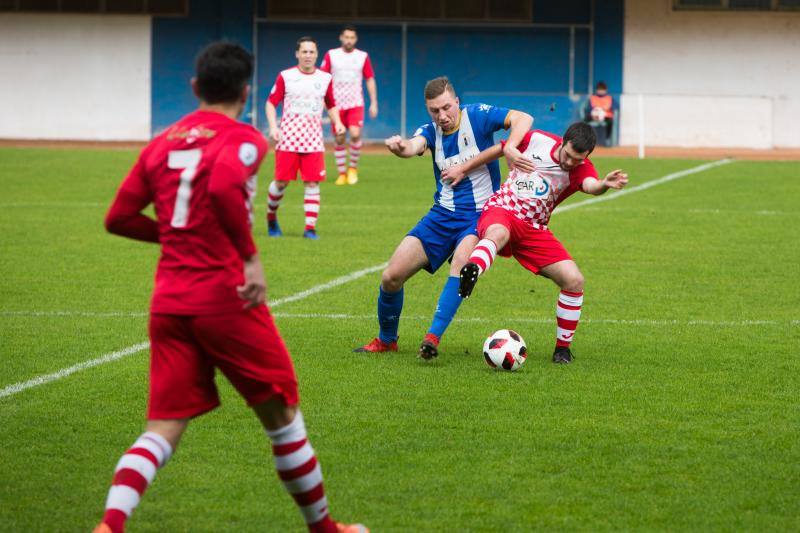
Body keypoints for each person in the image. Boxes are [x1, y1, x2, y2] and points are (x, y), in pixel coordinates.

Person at [97, 41, 366, 533]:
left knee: (162, 428)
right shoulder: (245, 140)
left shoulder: (161, 142)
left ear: (195, 86)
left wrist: (173, 234)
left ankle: (110, 525)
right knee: (283, 415)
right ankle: (326, 530)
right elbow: (221, 186)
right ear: (246, 92)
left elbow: (117, 218)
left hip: (169, 303)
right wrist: (249, 258)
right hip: (224, 297)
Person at [353, 76, 534, 359]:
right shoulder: (430, 131)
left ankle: (432, 338)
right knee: (391, 276)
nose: (443, 116)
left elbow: (524, 118)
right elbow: (414, 146)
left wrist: (510, 146)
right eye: (434, 111)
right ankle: (387, 340)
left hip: (480, 215)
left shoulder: (478, 115)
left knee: (462, 265)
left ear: (457, 102)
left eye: (447, 108)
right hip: (441, 215)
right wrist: (400, 147)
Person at [455, 122, 629, 364]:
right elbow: (501, 148)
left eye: (577, 159)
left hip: (534, 229)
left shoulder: (581, 168)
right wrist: (464, 168)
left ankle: (562, 350)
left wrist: (603, 185)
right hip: (503, 209)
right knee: (497, 234)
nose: (569, 162)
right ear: (562, 141)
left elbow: (590, 186)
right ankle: (473, 269)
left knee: (574, 280)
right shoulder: (537, 139)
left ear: (587, 156)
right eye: (568, 155)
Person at [265, 36, 346, 240]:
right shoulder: (286, 76)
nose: (308, 55)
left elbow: (331, 104)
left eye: (311, 52)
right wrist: (274, 127)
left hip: (313, 141)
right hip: (288, 140)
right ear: (297, 54)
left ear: (317, 54)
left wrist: (338, 122)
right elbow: (270, 103)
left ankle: (310, 228)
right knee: (281, 182)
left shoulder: (325, 78)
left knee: (312, 184)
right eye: (304, 51)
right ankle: (271, 218)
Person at [320, 25, 378, 186]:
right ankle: (342, 173)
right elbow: (322, 77)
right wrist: (321, 100)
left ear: (356, 39)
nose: (349, 40)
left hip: (355, 103)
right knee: (339, 137)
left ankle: (352, 169)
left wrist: (374, 102)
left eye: (352, 37)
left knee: (354, 133)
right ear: (341, 38)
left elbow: (370, 79)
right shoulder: (332, 55)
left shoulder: (362, 56)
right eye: (346, 37)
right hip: (335, 104)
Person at [584, 81, 614, 147]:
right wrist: (593, 114)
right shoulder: (592, 98)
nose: (601, 91)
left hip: (606, 116)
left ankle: (607, 139)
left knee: (610, 122)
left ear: (606, 90)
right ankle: (585, 139)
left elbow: (615, 107)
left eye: (602, 90)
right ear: (596, 90)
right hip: (594, 115)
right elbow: (587, 109)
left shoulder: (610, 98)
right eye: (599, 89)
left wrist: (603, 112)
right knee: (585, 120)